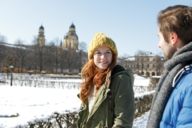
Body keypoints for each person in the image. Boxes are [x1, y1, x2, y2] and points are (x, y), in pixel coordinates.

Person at [76, 32, 135, 128]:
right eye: (98, 53)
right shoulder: (90, 79)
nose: (103, 57)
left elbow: (123, 121)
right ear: (92, 56)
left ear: (113, 56)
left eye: (108, 52)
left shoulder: (121, 79)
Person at [147, 5, 192, 128]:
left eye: (159, 37)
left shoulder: (188, 82)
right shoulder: (179, 75)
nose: (159, 45)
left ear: (173, 38)